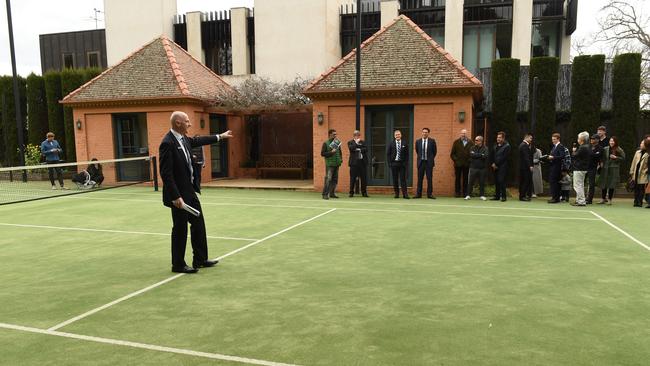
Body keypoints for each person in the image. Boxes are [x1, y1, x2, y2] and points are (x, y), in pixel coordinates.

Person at [159, 111, 233, 274]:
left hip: (190, 192)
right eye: (187, 121)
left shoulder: (184, 139)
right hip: (178, 196)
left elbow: (199, 140)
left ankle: (200, 259)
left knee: (198, 224)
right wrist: (176, 197)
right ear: (178, 123)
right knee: (180, 229)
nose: (189, 124)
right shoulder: (167, 143)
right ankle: (178, 264)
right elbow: (166, 174)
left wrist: (220, 136)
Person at [599, 136, 625, 205]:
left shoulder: (619, 149)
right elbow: (602, 157)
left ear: (615, 142)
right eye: (610, 141)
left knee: (611, 184)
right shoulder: (606, 149)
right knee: (604, 183)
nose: (611, 142)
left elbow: (623, 158)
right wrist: (601, 162)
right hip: (605, 168)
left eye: (613, 141)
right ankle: (603, 199)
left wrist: (616, 157)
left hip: (614, 168)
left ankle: (610, 199)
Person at [414, 127, 437, 199]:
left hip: (429, 163)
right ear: (422, 133)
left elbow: (434, 152)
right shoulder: (418, 141)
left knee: (429, 178)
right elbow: (417, 151)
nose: (424, 133)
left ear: (428, 133)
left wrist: (430, 159)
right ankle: (418, 194)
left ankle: (429, 194)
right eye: (423, 132)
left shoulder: (432, 141)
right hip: (421, 163)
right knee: (419, 179)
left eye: (426, 132)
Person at [387, 129, 409, 199]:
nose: (397, 136)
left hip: (402, 164)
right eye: (396, 135)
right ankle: (396, 194)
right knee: (395, 179)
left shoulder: (405, 143)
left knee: (403, 179)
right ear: (394, 136)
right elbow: (388, 154)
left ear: (401, 135)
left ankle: (405, 194)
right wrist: (390, 163)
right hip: (394, 164)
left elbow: (407, 155)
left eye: (399, 134)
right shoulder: (391, 144)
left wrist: (405, 163)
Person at [450, 129, 473, 197]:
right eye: (462, 133)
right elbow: (452, 154)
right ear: (460, 134)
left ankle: (465, 193)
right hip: (458, 164)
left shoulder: (471, 142)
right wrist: (456, 160)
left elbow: (472, 153)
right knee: (457, 178)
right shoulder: (456, 142)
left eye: (465, 133)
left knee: (466, 179)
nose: (463, 135)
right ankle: (457, 192)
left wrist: (469, 160)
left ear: (467, 134)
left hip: (467, 164)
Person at [321, 129, 342, 200]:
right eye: (334, 134)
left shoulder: (337, 142)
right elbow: (322, 154)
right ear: (330, 135)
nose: (335, 135)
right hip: (330, 164)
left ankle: (332, 193)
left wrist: (341, 160)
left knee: (335, 179)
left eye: (336, 134)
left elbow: (339, 152)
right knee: (328, 179)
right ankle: (325, 194)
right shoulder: (325, 143)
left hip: (337, 163)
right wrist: (331, 152)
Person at [571, 131, 591, 206]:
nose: (577, 139)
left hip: (579, 168)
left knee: (577, 185)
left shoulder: (582, 147)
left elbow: (575, 156)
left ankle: (581, 201)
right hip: (583, 168)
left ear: (582, 139)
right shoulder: (587, 146)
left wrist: (573, 152)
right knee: (580, 185)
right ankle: (579, 200)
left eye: (578, 138)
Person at [465, 135, 488, 201]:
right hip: (473, 168)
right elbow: (471, 155)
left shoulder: (485, 148)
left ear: (480, 141)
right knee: (470, 182)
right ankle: (468, 195)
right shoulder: (472, 147)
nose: (475, 141)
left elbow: (485, 156)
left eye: (476, 140)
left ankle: (482, 195)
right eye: (475, 140)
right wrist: (481, 155)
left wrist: (476, 155)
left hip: (482, 168)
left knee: (482, 182)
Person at [347, 130, 368, 197]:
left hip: (362, 162)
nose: (357, 136)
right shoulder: (350, 142)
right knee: (352, 178)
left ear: (359, 135)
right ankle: (351, 192)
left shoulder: (363, 142)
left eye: (358, 135)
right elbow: (351, 148)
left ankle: (364, 192)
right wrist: (357, 144)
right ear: (354, 135)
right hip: (354, 163)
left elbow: (366, 149)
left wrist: (359, 149)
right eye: (356, 135)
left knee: (363, 178)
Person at [490, 131, 510, 202]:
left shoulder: (507, 146)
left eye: (500, 137)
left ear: (503, 138)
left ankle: (504, 196)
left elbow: (504, 157)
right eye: (497, 137)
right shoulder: (495, 145)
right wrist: (492, 163)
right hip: (495, 166)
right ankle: (497, 196)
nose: (498, 139)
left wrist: (496, 164)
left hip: (502, 166)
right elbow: (492, 155)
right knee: (496, 181)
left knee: (501, 181)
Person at [547, 133, 566, 203]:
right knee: (554, 182)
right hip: (553, 166)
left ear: (558, 139)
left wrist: (553, 157)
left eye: (554, 139)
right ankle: (555, 197)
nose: (553, 141)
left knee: (554, 182)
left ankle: (555, 198)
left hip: (557, 167)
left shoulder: (560, 146)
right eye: (552, 139)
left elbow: (562, 156)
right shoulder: (554, 146)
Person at [629, 139, 648, 207]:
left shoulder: (648, 153)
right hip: (636, 172)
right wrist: (631, 171)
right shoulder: (637, 152)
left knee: (641, 188)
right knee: (636, 187)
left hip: (643, 173)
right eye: (641, 143)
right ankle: (635, 201)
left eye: (642, 143)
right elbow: (633, 162)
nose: (641, 144)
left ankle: (640, 202)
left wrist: (646, 170)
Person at [586, 134, 603, 204]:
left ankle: (589, 199)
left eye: (593, 139)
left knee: (591, 184)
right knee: (580, 183)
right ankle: (581, 198)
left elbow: (597, 156)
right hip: (584, 167)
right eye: (591, 139)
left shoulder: (600, 148)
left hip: (592, 168)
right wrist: (593, 154)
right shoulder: (588, 146)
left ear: (597, 140)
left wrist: (591, 153)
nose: (592, 140)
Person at [518, 133, 534, 201]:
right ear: (526, 138)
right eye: (530, 138)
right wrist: (530, 166)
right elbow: (526, 157)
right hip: (525, 167)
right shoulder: (524, 145)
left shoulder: (523, 145)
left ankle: (522, 195)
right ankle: (522, 196)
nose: (531, 140)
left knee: (523, 181)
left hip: (523, 167)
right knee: (525, 181)